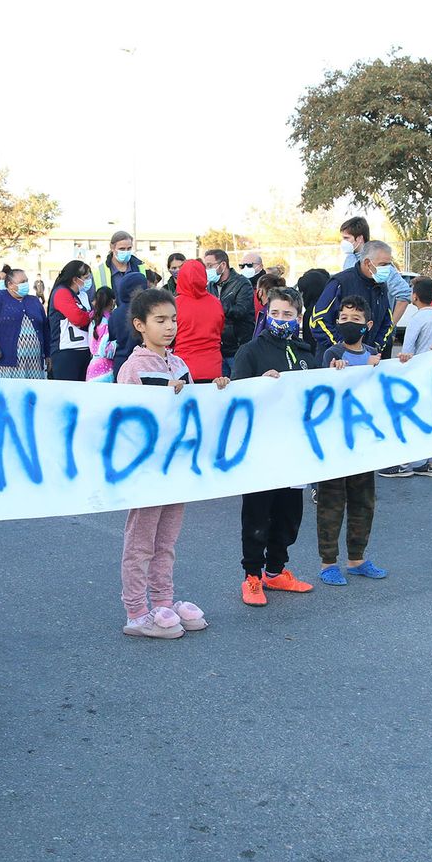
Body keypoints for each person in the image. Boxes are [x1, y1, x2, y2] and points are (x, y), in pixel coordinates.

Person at [115, 287, 220, 639]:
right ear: (140, 325)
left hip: (177, 466)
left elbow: (197, 409)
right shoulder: (132, 368)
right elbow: (126, 417)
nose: (170, 326)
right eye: (160, 320)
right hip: (146, 470)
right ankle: (136, 611)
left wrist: (217, 388)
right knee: (140, 543)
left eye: (173, 319)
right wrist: (160, 395)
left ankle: (162, 602)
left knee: (166, 542)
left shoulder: (180, 364)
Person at [231, 287, 316, 607]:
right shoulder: (250, 351)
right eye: (276, 313)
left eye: (288, 314)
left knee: (289, 513)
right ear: (266, 314)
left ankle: (276, 570)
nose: (281, 320)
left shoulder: (307, 354)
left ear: (299, 317)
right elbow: (236, 398)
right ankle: (252, 576)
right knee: (257, 514)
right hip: (260, 448)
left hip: (294, 448)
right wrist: (259, 385)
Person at [316, 296, 387, 586]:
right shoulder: (331, 353)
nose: (348, 324)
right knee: (332, 502)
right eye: (343, 319)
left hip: (364, 441)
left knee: (363, 501)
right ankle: (328, 563)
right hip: (335, 441)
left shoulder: (374, 354)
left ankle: (357, 558)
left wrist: (397, 364)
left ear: (368, 325)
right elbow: (322, 388)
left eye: (355, 320)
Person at [380, 277, 432, 480]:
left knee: (408, 419)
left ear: (415, 296)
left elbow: (407, 351)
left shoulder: (418, 319)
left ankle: (403, 464)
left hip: (418, 377)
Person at [339, 217, 412, 349]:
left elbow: (404, 294)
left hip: (376, 336)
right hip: (354, 335)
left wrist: (389, 327)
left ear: (359, 238)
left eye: (346, 238)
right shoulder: (349, 259)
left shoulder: (379, 263)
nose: (343, 243)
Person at [311, 239, 393, 355]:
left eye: (389, 264)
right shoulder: (341, 282)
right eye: (383, 265)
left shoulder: (381, 286)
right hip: (336, 361)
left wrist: (374, 348)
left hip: (366, 360)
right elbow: (318, 320)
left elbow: (387, 322)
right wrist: (343, 349)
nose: (388, 269)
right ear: (367, 263)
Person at [0, 268, 48, 379]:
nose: (26, 284)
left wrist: (48, 355)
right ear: (10, 284)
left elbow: (45, 328)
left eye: (26, 281)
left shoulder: (34, 301)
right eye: (22, 282)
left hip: (34, 364)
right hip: (6, 363)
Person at [201, 248, 255, 376]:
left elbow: (240, 311)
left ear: (223, 265)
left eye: (210, 266)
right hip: (217, 349)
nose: (207, 270)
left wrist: (216, 306)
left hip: (237, 347)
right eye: (205, 266)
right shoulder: (210, 286)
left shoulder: (242, 284)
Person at [172, 258, 224, 384]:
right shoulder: (216, 303)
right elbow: (220, 330)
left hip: (183, 367)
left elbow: (169, 336)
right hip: (213, 367)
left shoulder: (174, 304)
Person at [46, 260, 95, 381]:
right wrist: (92, 315)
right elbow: (77, 318)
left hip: (84, 350)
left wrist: (91, 314)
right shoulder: (61, 292)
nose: (89, 280)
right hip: (66, 352)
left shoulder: (83, 295)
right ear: (75, 279)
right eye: (86, 277)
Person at [107, 271, 148, 376]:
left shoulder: (115, 313)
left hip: (120, 362)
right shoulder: (144, 310)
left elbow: (111, 337)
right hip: (142, 362)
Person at [86, 286, 119, 382]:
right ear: (112, 301)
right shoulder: (106, 322)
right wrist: (119, 342)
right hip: (105, 369)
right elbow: (104, 350)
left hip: (93, 367)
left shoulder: (94, 320)